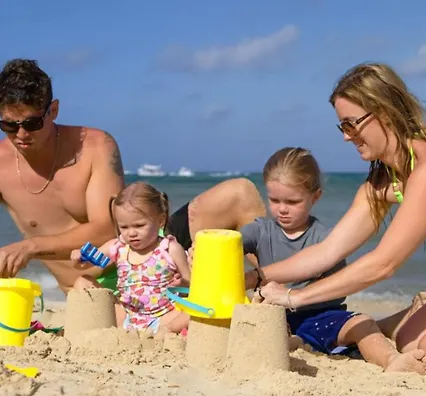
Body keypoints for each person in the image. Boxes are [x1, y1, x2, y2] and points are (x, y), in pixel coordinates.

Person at [0, 58, 266, 293]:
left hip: (150, 255)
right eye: (9, 125)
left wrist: (30, 247)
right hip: (93, 288)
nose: (21, 134)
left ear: (53, 110)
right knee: (84, 289)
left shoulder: (94, 146)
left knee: (240, 193)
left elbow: (109, 229)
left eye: (32, 123)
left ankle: (271, 288)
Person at [252, 62, 426, 374]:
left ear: (384, 112)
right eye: (342, 127)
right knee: (409, 342)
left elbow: (383, 264)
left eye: (351, 124)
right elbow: (328, 251)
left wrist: (294, 297)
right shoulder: (383, 183)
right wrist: (256, 276)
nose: (347, 136)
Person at [240, 147, 426, 373]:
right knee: (269, 328)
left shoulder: (326, 239)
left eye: (292, 202)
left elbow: (338, 290)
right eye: (274, 200)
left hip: (323, 317)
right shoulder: (259, 231)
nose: (282, 209)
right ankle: (395, 322)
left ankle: (392, 360)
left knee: (362, 322)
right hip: (277, 318)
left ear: (315, 197)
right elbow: (229, 244)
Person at [71, 182, 190, 335]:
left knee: (197, 309)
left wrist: (182, 283)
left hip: (163, 317)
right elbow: (85, 265)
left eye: (139, 225)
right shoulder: (118, 247)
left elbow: (190, 283)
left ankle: (167, 330)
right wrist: (78, 259)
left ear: (160, 220)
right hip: (126, 315)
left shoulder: (169, 248)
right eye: (124, 227)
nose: (131, 233)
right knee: (82, 282)